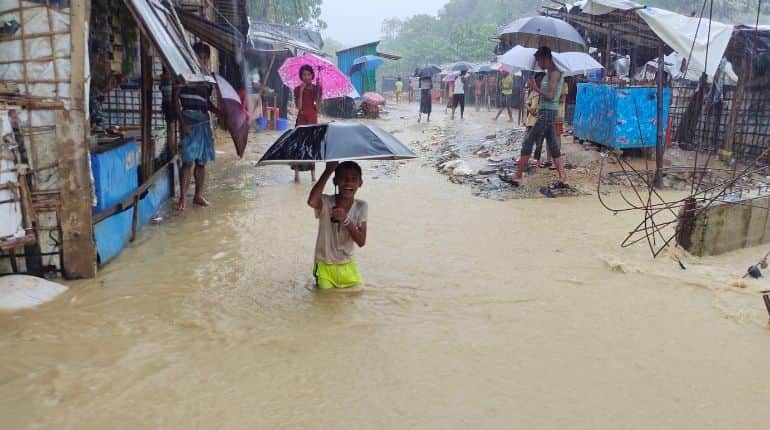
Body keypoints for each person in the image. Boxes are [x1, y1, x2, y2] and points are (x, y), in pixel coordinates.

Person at [506, 47, 568, 188]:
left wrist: (535, 88)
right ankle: (563, 177)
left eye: (539, 60)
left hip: (548, 113)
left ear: (546, 58)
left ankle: (518, 176)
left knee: (528, 141)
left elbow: (551, 96)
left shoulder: (554, 73)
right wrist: (536, 88)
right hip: (546, 111)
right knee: (553, 145)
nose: (538, 64)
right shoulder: (548, 73)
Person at [307, 161, 368, 290]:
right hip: (324, 265)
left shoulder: (361, 206)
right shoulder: (326, 202)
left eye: (353, 179)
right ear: (335, 181)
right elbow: (312, 201)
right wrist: (328, 170)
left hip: (348, 264)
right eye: (344, 178)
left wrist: (345, 220)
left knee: (358, 294)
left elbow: (361, 241)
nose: (348, 183)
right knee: (325, 298)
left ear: (360, 183)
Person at [175, 42, 220, 211]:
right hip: (189, 121)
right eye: (198, 57)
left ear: (208, 59)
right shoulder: (183, 75)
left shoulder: (207, 80)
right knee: (188, 161)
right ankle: (182, 198)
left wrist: (219, 112)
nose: (202, 60)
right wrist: (183, 123)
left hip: (203, 122)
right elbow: (175, 100)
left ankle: (198, 195)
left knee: (202, 162)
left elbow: (206, 103)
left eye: (205, 57)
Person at [292, 64, 322, 183]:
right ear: (301, 76)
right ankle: (296, 176)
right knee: (299, 147)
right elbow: (299, 107)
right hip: (301, 120)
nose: (306, 77)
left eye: (309, 74)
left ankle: (313, 176)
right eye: (304, 74)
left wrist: (318, 93)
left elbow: (318, 108)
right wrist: (301, 91)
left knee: (311, 148)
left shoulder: (317, 88)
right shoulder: (297, 89)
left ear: (312, 76)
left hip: (312, 120)